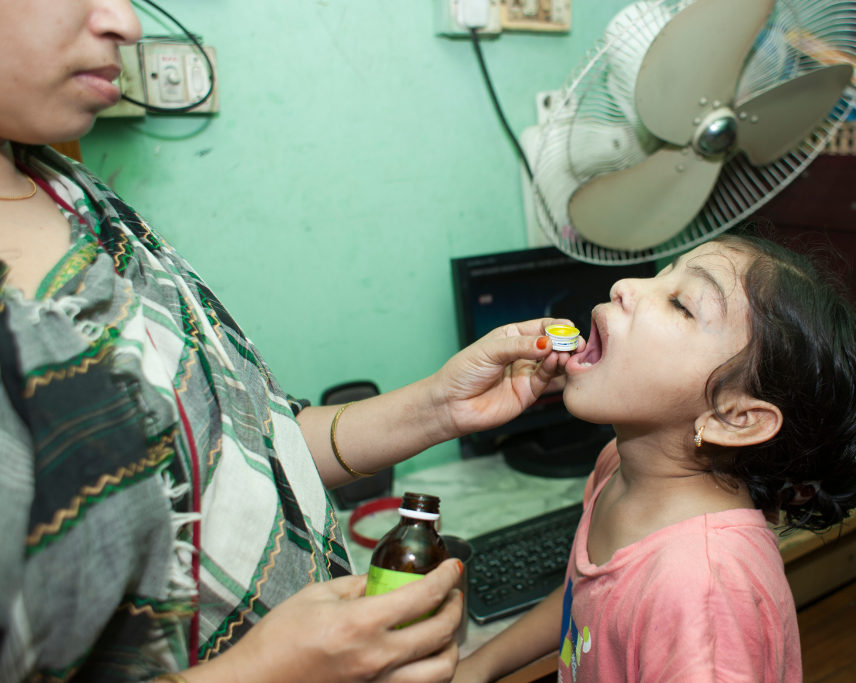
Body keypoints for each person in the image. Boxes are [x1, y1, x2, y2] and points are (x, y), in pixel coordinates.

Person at [0, 1, 580, 681]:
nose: (126, 24)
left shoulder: (74, 194)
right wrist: (271, 670)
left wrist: (440, 407)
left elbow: (249, 453)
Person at [453, 232, 856, 682]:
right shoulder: (618, 467)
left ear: (735, 418)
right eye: (662, 276)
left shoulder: (704, 591)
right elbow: (585, 594)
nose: (624, 285)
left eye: (681, 304)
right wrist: (482, 664)